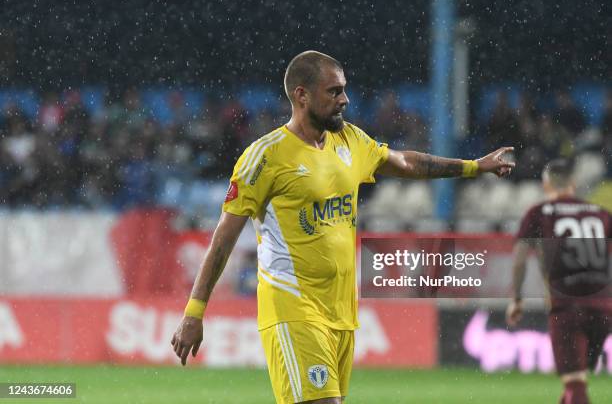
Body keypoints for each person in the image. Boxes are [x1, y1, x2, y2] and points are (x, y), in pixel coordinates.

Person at [172, 50, 515, 404]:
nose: (345, 100)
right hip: (293, 309)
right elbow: (222, 241)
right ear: (301, 95)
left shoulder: (350, 140)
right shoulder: (265, 157)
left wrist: (474, 167)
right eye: (334, 91)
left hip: (341, 314)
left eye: (344, 90)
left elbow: (404, 162)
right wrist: (194, 313)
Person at [506, 159, 612, 404]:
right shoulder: (601, 214)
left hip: (568, 308)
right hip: (605, 310)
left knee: (574, 383)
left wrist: (516, 299)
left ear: (546, 185)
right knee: (577, 381)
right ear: (573, 184)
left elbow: (520, 258)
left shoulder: (539, 213)